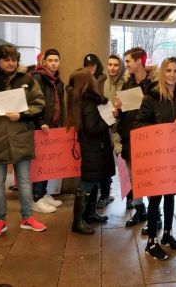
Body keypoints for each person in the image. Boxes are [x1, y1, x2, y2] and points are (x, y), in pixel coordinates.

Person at [0, 44, 47, 239]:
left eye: (14, 59)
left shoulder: (27, 80)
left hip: (21, 136)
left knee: (24, 181)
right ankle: (0, 220)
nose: (11, 63)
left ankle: (27, 217)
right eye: (6, 59)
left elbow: (39, 102)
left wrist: (22, 115)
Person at [134, 57, 176, 260]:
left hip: (175, 156)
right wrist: (162, 130)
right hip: (157, 155)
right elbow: (139, 124)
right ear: (162, 73)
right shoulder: (152, 97)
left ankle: (166, 235)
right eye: (168, 70)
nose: (172, 75)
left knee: (170, 196)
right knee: (155, 199)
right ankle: (151, 242)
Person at [114, 47, 158, 229]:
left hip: (148, 138)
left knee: (151, 178)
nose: (127, 65)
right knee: (134, 177)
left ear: (139, 61)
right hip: (129, 136)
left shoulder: (155, 85)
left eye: (128, 61)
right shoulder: (127, 84)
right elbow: (123, 112)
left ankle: (156, 214)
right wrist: (117, 109)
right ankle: (140, 210)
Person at [66, 68, 114, 235]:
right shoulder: (89, 103)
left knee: (93, 182)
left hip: (94, 148)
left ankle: (89, 214)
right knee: (87, 183)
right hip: (94, 148)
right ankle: (77, 222)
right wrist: (110, 118)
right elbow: (93, 129)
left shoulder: (81, 100)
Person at [31, 48, 65, 213]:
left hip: (53, 128)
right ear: (44, 62)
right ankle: (36, 198)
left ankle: (42, 193)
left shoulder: (58, 81)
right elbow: (34, 102)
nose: (53, 63)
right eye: (50, 60)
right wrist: (40, 121)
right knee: (40, 164)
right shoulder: (37, 78)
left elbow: (60, 105)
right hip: (41, 128)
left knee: (47, 163)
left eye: (56, 60)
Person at [95, 54, 126, 209]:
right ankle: (106, 194)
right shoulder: (102, 82)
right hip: (104, 127)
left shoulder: (126, 82)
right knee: (105, 162)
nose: (112, 68)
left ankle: (132, 198)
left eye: (116, 65)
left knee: (124, 163)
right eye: (110, 64)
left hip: (121, 128)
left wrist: (120, 110)